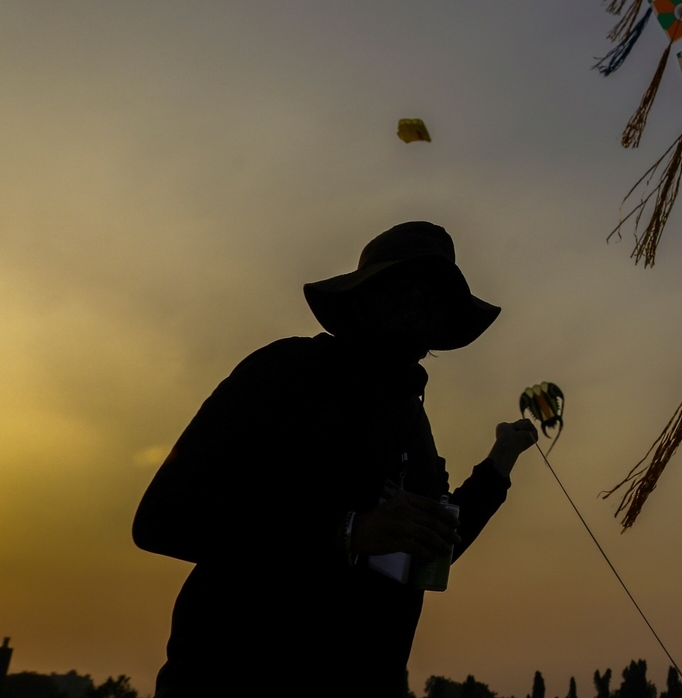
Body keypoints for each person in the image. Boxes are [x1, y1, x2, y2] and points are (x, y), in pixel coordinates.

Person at [133, 221, 538, 697]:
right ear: (360, 298)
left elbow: (426, 551)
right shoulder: (286, 371)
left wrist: (499, 464)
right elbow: (165, 517)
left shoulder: (413, 422)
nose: (420, 296)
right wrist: (347, 532)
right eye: (402, 282)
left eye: (435, 291)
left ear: (445, 319)